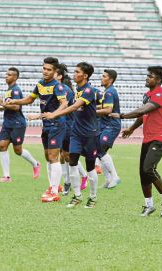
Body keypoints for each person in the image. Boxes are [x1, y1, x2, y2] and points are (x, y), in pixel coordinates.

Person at [110, 66, 162, 217]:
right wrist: (132, 128)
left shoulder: (160, 94)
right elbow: (143, 115)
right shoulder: (149, 95)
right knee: (143, 173)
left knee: (148, 168)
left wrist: (122, 116)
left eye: (150, 76)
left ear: (158, 80)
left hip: (160, 138)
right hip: (149, 138)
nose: (147, 78)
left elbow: (142, 110)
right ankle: (149, 205)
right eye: (147, 75)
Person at [8, 57, 68, 202]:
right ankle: (53, 186)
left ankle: (54, 192)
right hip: (46, 125)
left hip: (57, 125)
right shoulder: (40, 84)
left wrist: (53, 114)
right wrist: (14, 101)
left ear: (54, 72)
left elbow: (64, 103)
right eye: (44, 68)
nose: (45, 71)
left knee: (54, 157)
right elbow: (30, 99)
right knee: (48, 156)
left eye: (49, 70)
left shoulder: (57, 87)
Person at [43, 62, 100, 208]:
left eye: (77, 72)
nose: (74, 74)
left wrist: (54, 114)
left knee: (90, 167)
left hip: (90, 135)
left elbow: (74, 107)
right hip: (76, 134)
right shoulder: (77, 90)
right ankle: (77, 196)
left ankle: (92, 198)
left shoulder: (89, 90)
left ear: (85, 75)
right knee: (72, 162)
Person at [0, 67, 40, 183]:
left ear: (15, 77)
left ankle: (35, 163)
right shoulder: (8, 90)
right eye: (6, 74)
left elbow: (16, 107)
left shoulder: (15, 90)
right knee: (2, 146)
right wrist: (0, 108)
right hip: (7, 123)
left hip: (17, 123)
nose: (6, 76)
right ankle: (6, 176)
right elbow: (8, 106)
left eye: (9, 75)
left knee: (17, 150)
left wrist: (3, 105)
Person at [52, 64, 88, 196]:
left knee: (66, 155)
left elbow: (66, 108)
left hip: (67, 125)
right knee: (60, 156)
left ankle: (82, 175)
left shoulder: (65, 90)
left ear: (59, 76)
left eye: (54, 73)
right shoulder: (53, 88)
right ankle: (65, 182)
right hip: (58, 124)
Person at [96, 69, 122, 189]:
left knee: (100, 150)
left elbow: (108, 110)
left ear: (110, 80)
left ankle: (115, 177)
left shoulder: (110, 92)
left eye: (104, 76)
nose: (102, 78)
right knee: (99, 151)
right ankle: (108, 180)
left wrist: (92, 112)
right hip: (105, 125)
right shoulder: (107, 91)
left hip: (111, 126)